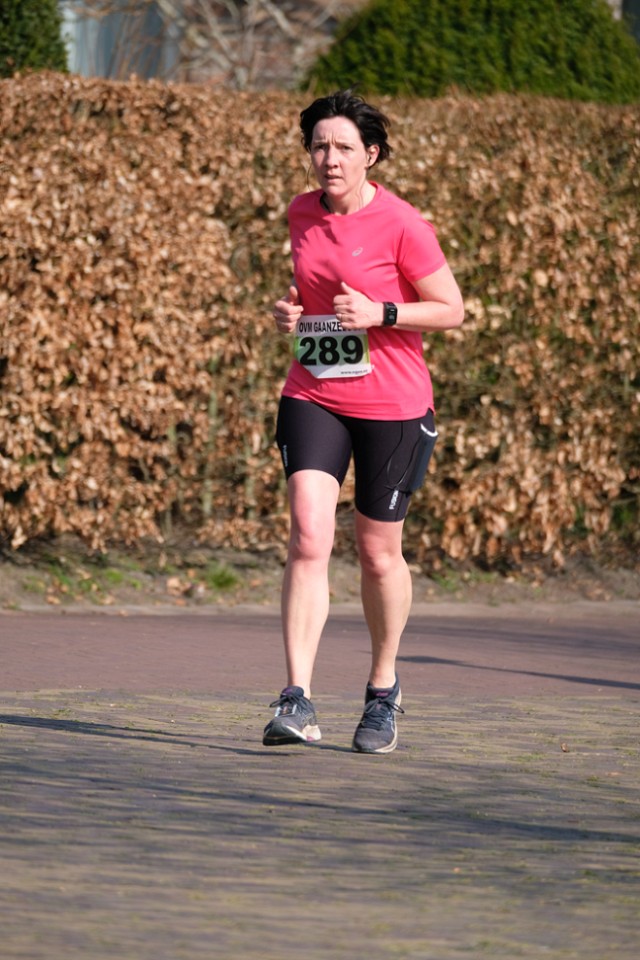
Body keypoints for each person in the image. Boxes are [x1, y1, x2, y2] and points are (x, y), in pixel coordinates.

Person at [263, 90, 464, 754]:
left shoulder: (403, 224)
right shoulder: (300, 212)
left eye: (344, 147)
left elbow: (451, 309)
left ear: (370, 155)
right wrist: (291, 311)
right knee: (308, 536)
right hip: (314, 391)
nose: (330, 158)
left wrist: (383, 313)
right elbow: (313, 289)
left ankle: (382, 690)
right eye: (319, 145)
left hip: (393, 405)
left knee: (378, 554)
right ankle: (296, 698)